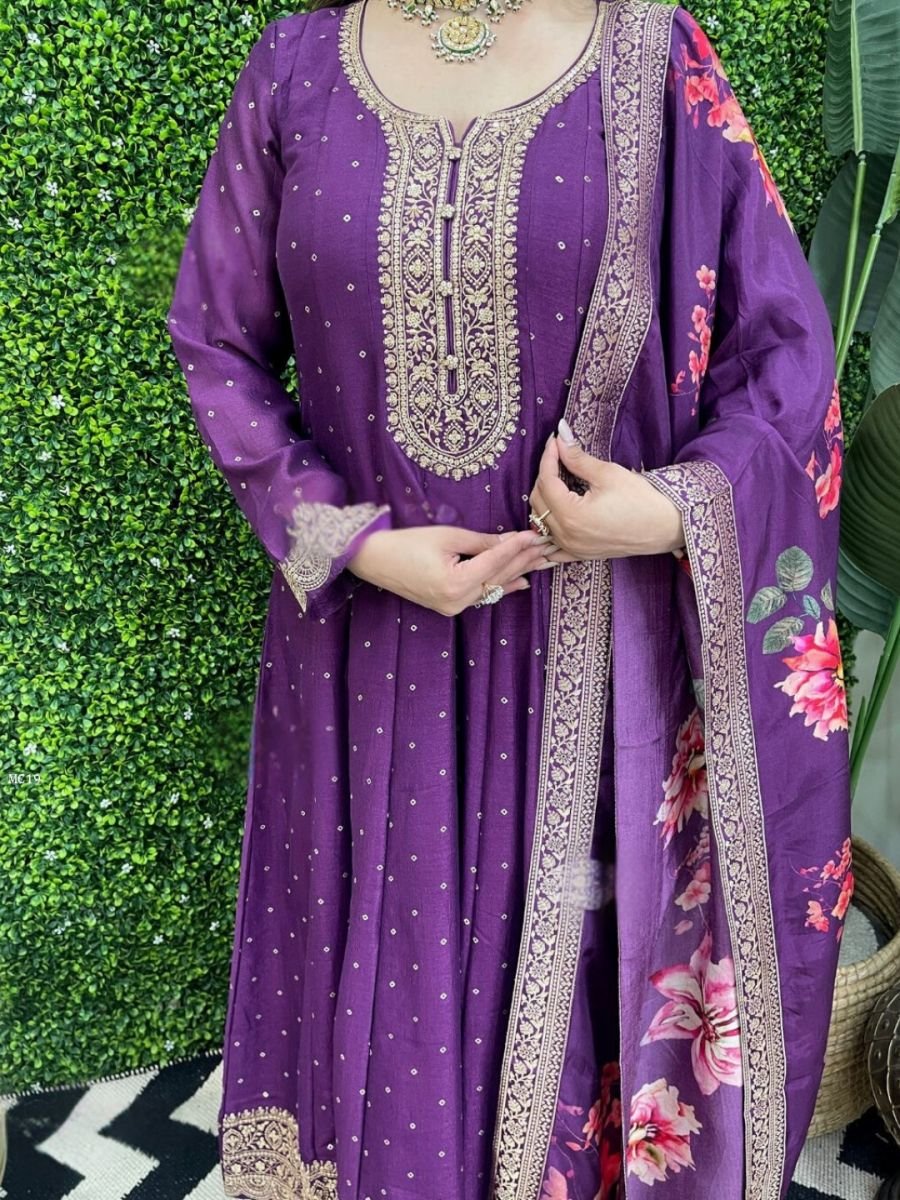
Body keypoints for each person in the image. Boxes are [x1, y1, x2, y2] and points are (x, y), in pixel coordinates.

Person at [165, 1, 852, 1196]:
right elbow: (215, 341)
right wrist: (353, 541)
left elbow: (786, 357)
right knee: (383, 994)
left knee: (565, 997)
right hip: (360, 653)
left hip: (594, 662)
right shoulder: (295, 67)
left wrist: (669, 511)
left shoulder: (649, 53)